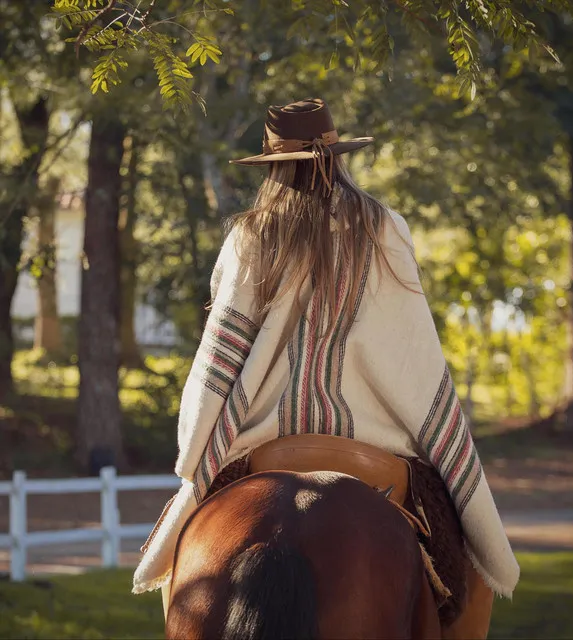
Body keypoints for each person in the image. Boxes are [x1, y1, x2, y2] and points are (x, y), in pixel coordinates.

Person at [133, 98, 519, 636]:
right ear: (337, 156)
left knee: (186, 560)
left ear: (271, 166)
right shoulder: (386, 229)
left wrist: (194, 447)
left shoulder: (249, 236)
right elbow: (412, 348)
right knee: (468, 570)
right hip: (379, 451)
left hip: (262, 443)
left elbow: (219, 354)